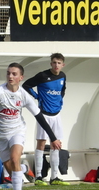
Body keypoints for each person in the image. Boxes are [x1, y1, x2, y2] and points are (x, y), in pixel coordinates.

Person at [0, 63, 62, 190]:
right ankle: (24, 168)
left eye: (14, 74)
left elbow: (39, 116)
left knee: (14, 159)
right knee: (12, 171)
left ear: (21, 77)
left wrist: (53, 138)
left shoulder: (23, 95)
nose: (10, 76)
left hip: (17, 131)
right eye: (8, 73)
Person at [22, 53, 69, 186]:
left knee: (57, 144)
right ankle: (38, 177)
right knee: (41, 143)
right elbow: (26, 85)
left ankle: (54, 177)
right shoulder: (42, 76)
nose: (56, 65)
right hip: (44, 114)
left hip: (56, 115)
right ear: (50, 63)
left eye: (59, 63)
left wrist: (60, 100)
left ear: (62, 64)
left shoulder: (63, 76)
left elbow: (63, 89)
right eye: (54, 62)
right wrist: (37, 96)